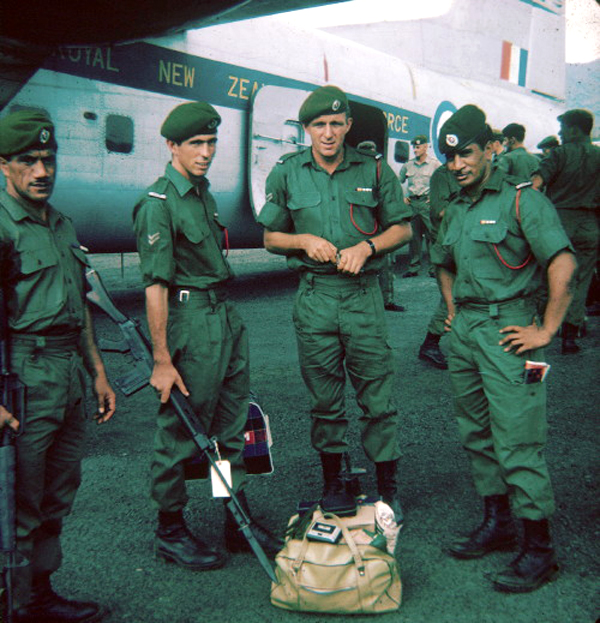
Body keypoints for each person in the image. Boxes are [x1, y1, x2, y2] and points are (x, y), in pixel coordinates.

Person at [431, 104, 576, 593]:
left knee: (518, 438)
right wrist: (451, 311)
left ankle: (539, 548)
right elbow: (444, 261)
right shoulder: (455, 207)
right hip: (467, 334)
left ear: (490, 148)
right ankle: (498, 523)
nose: (458, 166)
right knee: (476, 433)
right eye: (450, 159)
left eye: (466, 154)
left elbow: (562, 264)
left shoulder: (523, 202)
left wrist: (546, 330)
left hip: (513, 334)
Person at [133, 102, 281, 571]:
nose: (206, 152)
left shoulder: (202, 194)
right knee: (182, 429)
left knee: (231, 425)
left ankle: (234, 520)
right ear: (172, 146)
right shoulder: (159, 203)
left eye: (211, 142)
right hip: (190, 322)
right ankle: (169, 530)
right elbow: (154, 288)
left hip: (223, 316)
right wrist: (162, 359)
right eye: (195, 143)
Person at [257, 85, 412, 513]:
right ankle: (334, 482)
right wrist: (303, 240)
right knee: (325, 400)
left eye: (335, 124)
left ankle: (388, 489)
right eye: (318, 125)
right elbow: (271, 237)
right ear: (306, 129)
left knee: (377, 397)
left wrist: (369, 247)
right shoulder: (287, 172)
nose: (328, 133)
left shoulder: (375, 171)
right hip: (316, 298)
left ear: (347, 126)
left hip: (362, 296)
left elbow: (403, 228)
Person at [0, 110, 116, 623]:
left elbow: (79, 306)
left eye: (48, 159)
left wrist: (98, 372)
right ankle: (13, 603)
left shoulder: (61, 222)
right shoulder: (4, 226)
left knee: (56, 493)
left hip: (68, 368)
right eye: (28, 160)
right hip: (24, 370)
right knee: (16, 501)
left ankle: (40, 596)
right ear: (5, 165)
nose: (42, 170)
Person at [532, 108, 600, 354]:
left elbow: (536, 183)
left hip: (558, 223)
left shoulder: (559, 154)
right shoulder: (598, 155)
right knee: (580, 281)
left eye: (563, 128)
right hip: (590, 224)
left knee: (545, 277)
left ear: (573, 129)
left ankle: (539, 327)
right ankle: (570, 336)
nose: (560, 133)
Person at [417, 163, 460, 369]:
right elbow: (440, 212)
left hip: (468, 242)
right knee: (453, 294)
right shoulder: (442, 175)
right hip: (449, 243)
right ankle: (431, 343)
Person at [357, 140, 405, 312]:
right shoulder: (353, 176)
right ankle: (379, 301)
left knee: (384, 265)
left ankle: (385, 300)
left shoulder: (382, 174)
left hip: (378, 228)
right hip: (364, 229)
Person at [399, 135, 440, 277]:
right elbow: (399, 181)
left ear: (425, 147)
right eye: (414, 147)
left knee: (431, 237)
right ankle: (413, 268)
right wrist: (403, 196)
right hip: (413, 204)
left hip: (427, 204)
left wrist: (435, 197)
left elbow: (443, 181)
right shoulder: (408, 165)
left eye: (417, 147)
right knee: (414, 238)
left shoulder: (434, 164)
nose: (415, 150)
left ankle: (434, 269)